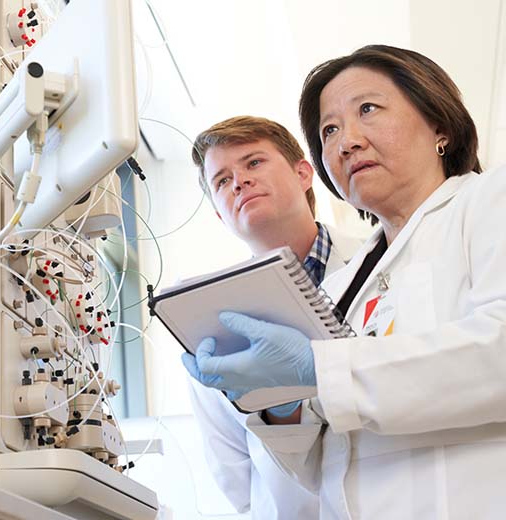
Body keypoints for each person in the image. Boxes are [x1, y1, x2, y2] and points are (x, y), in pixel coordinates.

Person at [183, 44, 506, 519]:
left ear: (439, 125)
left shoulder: (487, 202)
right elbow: (316, 466)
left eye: (368, 110)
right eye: (329, 129)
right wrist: (276, 404)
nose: (346, 141)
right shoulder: (342, 289)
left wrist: (322, 370)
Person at [186, 116, 362, 519]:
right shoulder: (210, 324)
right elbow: (234, 474)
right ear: (218, 213)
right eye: (221, 180)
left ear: (304, 173)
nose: (238, 182)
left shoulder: (378, 260)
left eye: (253, 163)